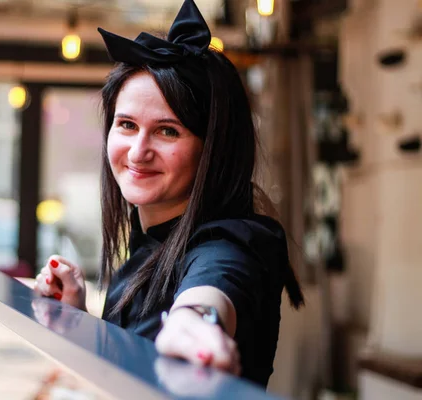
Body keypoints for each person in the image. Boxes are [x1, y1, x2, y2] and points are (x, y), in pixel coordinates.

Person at [34, 0, 304, 387]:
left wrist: (194, 324)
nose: (139, 151)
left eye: (167, 131)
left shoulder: (230, 243)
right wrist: (77, 322)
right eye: (126, 124)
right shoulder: (151, 243)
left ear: (213, 147)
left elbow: (212, 290)